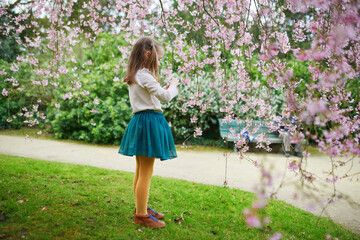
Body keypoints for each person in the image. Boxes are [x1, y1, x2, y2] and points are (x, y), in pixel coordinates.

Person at [118, 37, 179, 229]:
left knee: (140, 170)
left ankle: (141, 207)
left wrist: (163, 89)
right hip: (149, 122)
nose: (159, 63)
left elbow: (156, 94)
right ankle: (141, 215)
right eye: (158, 58)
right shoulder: (144, 75)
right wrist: (174, 87)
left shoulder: (137, 74)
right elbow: (165, 97)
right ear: (147, 55)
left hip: (142, 121)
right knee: (146, 172)